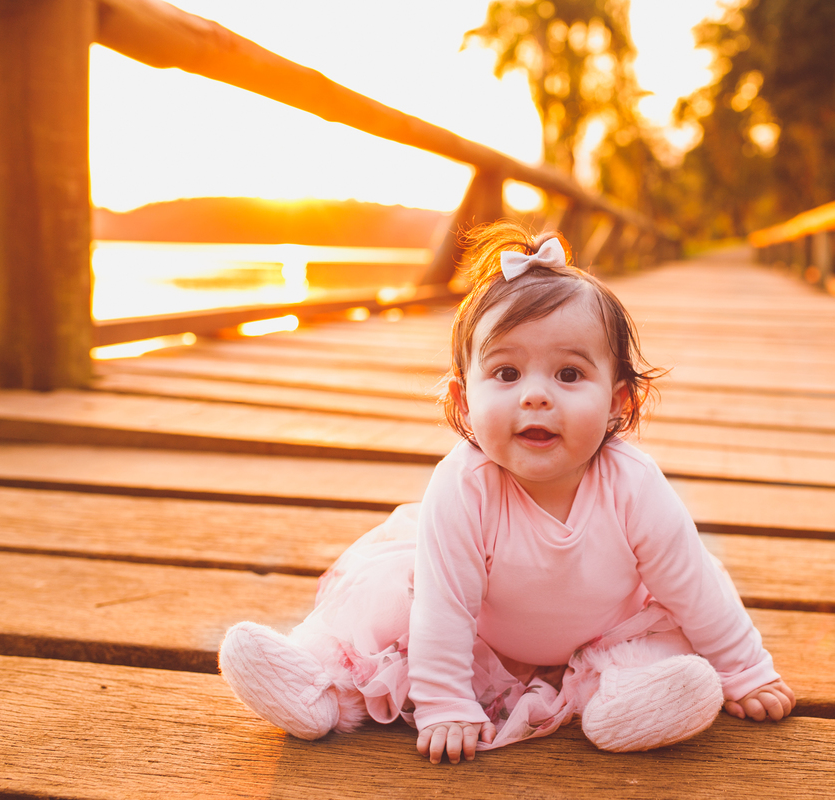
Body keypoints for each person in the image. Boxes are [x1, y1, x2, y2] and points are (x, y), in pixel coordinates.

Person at [219, 221, 794, 764]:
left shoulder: (633, 484)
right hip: (475, 639)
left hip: (603, 629)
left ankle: (632, 705)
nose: (536, 396)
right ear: (464, 402)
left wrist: (746, 671)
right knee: (390, 613)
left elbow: (691, 585)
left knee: (664, 638)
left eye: (569, 375)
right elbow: (446, 606)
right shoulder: (464, 486)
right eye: (507, 374)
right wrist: (445, 701)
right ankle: (315, 684)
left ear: (620, 402)